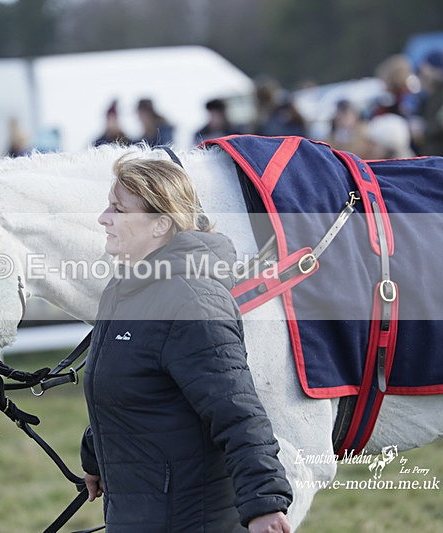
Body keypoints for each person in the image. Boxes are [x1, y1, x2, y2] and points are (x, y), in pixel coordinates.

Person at [81, 155, 293, 532]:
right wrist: (98, 458)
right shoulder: (123, 288)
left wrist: (263, 505)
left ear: (160, 224)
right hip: (135, 512)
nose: (103, 218)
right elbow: (132, 387)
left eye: (118, 209)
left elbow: (237, 412)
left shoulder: (191, 300)